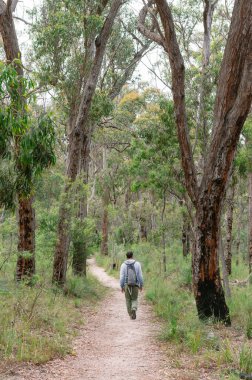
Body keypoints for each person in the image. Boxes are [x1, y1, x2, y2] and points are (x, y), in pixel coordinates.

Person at [120, 251, 143, 320]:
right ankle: (134, 308)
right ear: (132, 256)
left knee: (128, 299)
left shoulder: (123, 265)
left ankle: (130, 313)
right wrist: (141, 284)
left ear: (126, 256)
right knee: (134, 299)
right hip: (135, 285)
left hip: (127, 285)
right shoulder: (137, 264)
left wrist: (122, 286)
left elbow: (122, 277)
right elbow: (140, 276)